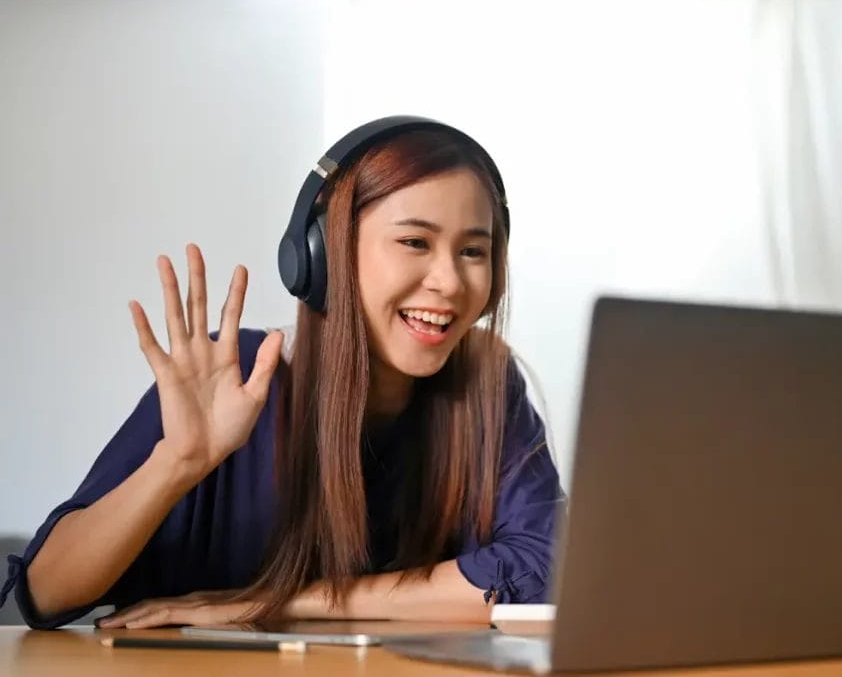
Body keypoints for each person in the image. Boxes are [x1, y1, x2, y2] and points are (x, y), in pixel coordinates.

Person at [1, 116, 564, 630]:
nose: (449, 281)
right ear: (322, 256)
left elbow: (541, 572)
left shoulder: (488, 386)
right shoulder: (236, 376)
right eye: (415, 242)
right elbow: (44, 596)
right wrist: (177, 463)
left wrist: (277, 602)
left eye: (473, 251)